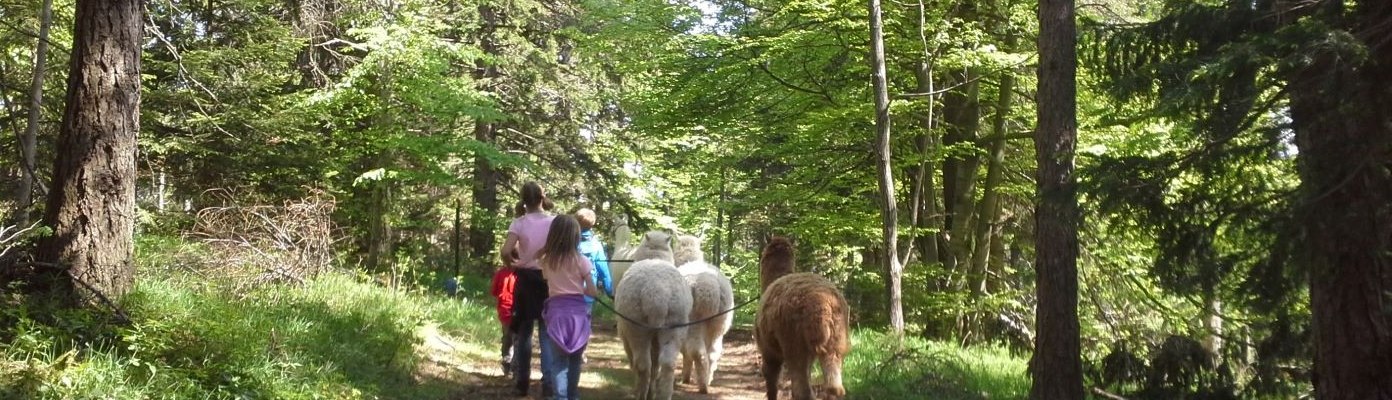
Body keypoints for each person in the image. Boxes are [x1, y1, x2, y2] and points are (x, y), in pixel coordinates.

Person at [500, 182, 556, 397]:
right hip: (548, 279)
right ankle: (549, 383)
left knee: (524, 332)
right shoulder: (553, 222)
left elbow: (506, 250)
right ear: (543, 197)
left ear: (523, 200)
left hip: (525, 279)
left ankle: (522, 381)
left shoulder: (519, 223)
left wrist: (511, 264)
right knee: (546, 333)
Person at [537, 215, 600, 400]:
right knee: (575, 360)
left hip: (556, 315)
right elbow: (593, 292)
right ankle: (573, 396)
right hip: (578, 316)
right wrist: (579, 289)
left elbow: (545, 274)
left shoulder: (548, 261)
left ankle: (560, 397)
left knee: (559, 361)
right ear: (576, 236)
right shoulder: (583, 262)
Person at [490, 203, 528, 377]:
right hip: (508, 312)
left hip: (513, 311)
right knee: (513, 338)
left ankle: (514, 364)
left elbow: (493, 293)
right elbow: (495, 291)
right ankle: (508, 362)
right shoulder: (505, 274)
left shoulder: (517, 275)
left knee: (512, 338)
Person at [574, 208, 614, 307]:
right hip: (587, 294)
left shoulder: (568, 243)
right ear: (592, 224)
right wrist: (610, 292)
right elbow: (604, 272)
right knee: (584, 321)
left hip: (565, 295)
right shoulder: (596, 246)